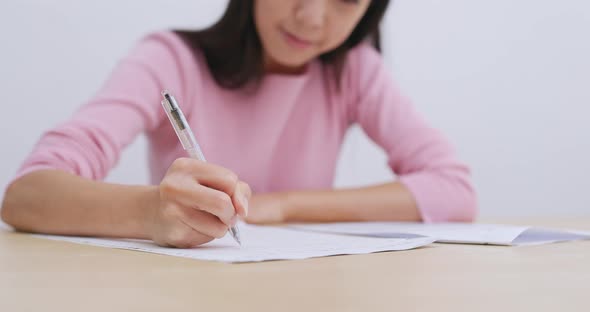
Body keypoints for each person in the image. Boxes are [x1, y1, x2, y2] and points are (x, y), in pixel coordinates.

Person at [1, 0, 476, 248]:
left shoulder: (353, 72)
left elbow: (454, 189)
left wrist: (282, 206)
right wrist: (150, 212)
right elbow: (25, 195)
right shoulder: (170, 60)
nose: (311, 18)